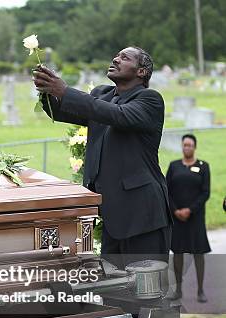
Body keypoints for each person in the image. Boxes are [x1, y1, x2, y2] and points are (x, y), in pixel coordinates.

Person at [33, 46, 171, 269]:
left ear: (141, 72)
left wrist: (65, 90)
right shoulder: (101, 94)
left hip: (143, 216)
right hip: (112, 216)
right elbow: (63, 111)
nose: (115, 59)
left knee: (146, 291)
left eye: (124, 58)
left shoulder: (150, 100)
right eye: (116, 55)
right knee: (114, 292)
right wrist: (47, 90)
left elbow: (116, 115)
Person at [166, 134, 211, 302]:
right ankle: (178, 290)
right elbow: (166, 190)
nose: (187, 148)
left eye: (190, 145)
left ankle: (200, 290)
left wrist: (190, 210)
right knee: (177, 253)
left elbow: (205, 192)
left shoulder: (203, 167)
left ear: (195, 147)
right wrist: (176, 210)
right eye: (184, 145)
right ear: (182, 146)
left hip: (195, 218)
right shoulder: (174, 166)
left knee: (198, 253)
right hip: (177, 218)